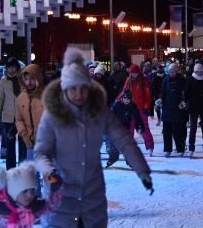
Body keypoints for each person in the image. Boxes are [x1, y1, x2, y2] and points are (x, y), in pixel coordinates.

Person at [34, 47, 153, 227]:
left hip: (92, 198)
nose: (79, 94)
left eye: (83, 88)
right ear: (65, 88)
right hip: (61, 198)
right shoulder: (52, 116)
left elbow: (124, 140)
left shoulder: (100, 112)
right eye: (73, 88)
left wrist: (141, 170)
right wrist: (50, 174)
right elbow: (41, 153)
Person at [0, 162, 63, 227]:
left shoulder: (31, 207)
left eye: (32, 190)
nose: (30, 195)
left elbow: (51, 206)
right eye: (25, 191)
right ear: (13, 192)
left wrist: (56, 189)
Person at [0, 57, 27, 170]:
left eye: (13, 67)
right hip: (8, 118)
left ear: (17, 67)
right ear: (6, 68)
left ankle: (23, 169)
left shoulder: (24, 78)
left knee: (23, 145)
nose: (11, 70)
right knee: (10, 146)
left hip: (22, 117)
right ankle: (11, 170)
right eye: (9, 67)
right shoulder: (3, 80)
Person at [120, 64, 155, 156]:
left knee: (143, 129)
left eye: (135, 73)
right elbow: (124, 92)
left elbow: (148, 96)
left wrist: (146, 107)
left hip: (141, 109)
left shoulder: (143, 81)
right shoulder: (128, 80)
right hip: (131, 108)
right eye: (132, 73)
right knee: (129, 129)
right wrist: (118, 100)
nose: (134, 75)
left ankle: (150, 146)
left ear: (138, 72)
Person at [107, 89, 145, 167]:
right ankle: (113, 158)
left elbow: (137, 117)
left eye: (128, 99)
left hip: (125, 127)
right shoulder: (117, 105)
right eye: (125, 99)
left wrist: (140, 126)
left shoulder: (132, 106)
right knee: (113, 144)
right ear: (122, 98)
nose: (127, 100)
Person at [158, 63, 188, 157]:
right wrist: (160, 99)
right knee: (167, 130)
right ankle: (167, 149)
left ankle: (180, 149)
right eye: (169, 71)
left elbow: (187, 94)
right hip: (167, 107)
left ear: (176, 71)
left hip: (178, 108)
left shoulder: (183, 80)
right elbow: (162, 92)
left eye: (172, 72)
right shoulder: (166, 79)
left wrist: (184, 102)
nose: (170, 73)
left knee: (178, 130)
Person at [15, 64, 44, 162]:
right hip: (29, 142)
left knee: (48, 172)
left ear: (38, 78)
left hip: (46, 141)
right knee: (31, 172)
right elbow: (19, 120)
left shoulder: (46, 96)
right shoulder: (21, 98)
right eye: (26, 79)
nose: (29, 82)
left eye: (32, 78)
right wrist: (25, 136)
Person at [185, 63, 203, 158]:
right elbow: (186, 93)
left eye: (201, 71)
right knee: (193, 128)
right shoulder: (190, 79)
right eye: (197, 71)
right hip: (193, 107)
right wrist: (186, 103)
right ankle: (191, 148)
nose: (199, 73)